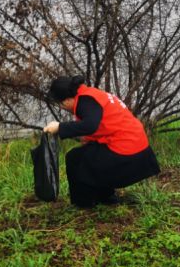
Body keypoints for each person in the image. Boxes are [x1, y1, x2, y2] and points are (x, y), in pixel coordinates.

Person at [43, 76, 160, 208]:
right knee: (88, 153)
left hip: (128, 152)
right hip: (139, 148)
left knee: (74, 159)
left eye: (60, 104)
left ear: (66, 100)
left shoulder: (85, 102)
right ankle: (106, 197)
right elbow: (104, 123)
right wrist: (89, 139)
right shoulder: (90, 94)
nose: (62, 107)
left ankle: (83, 204)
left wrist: (60, 127)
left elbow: (90, 125)